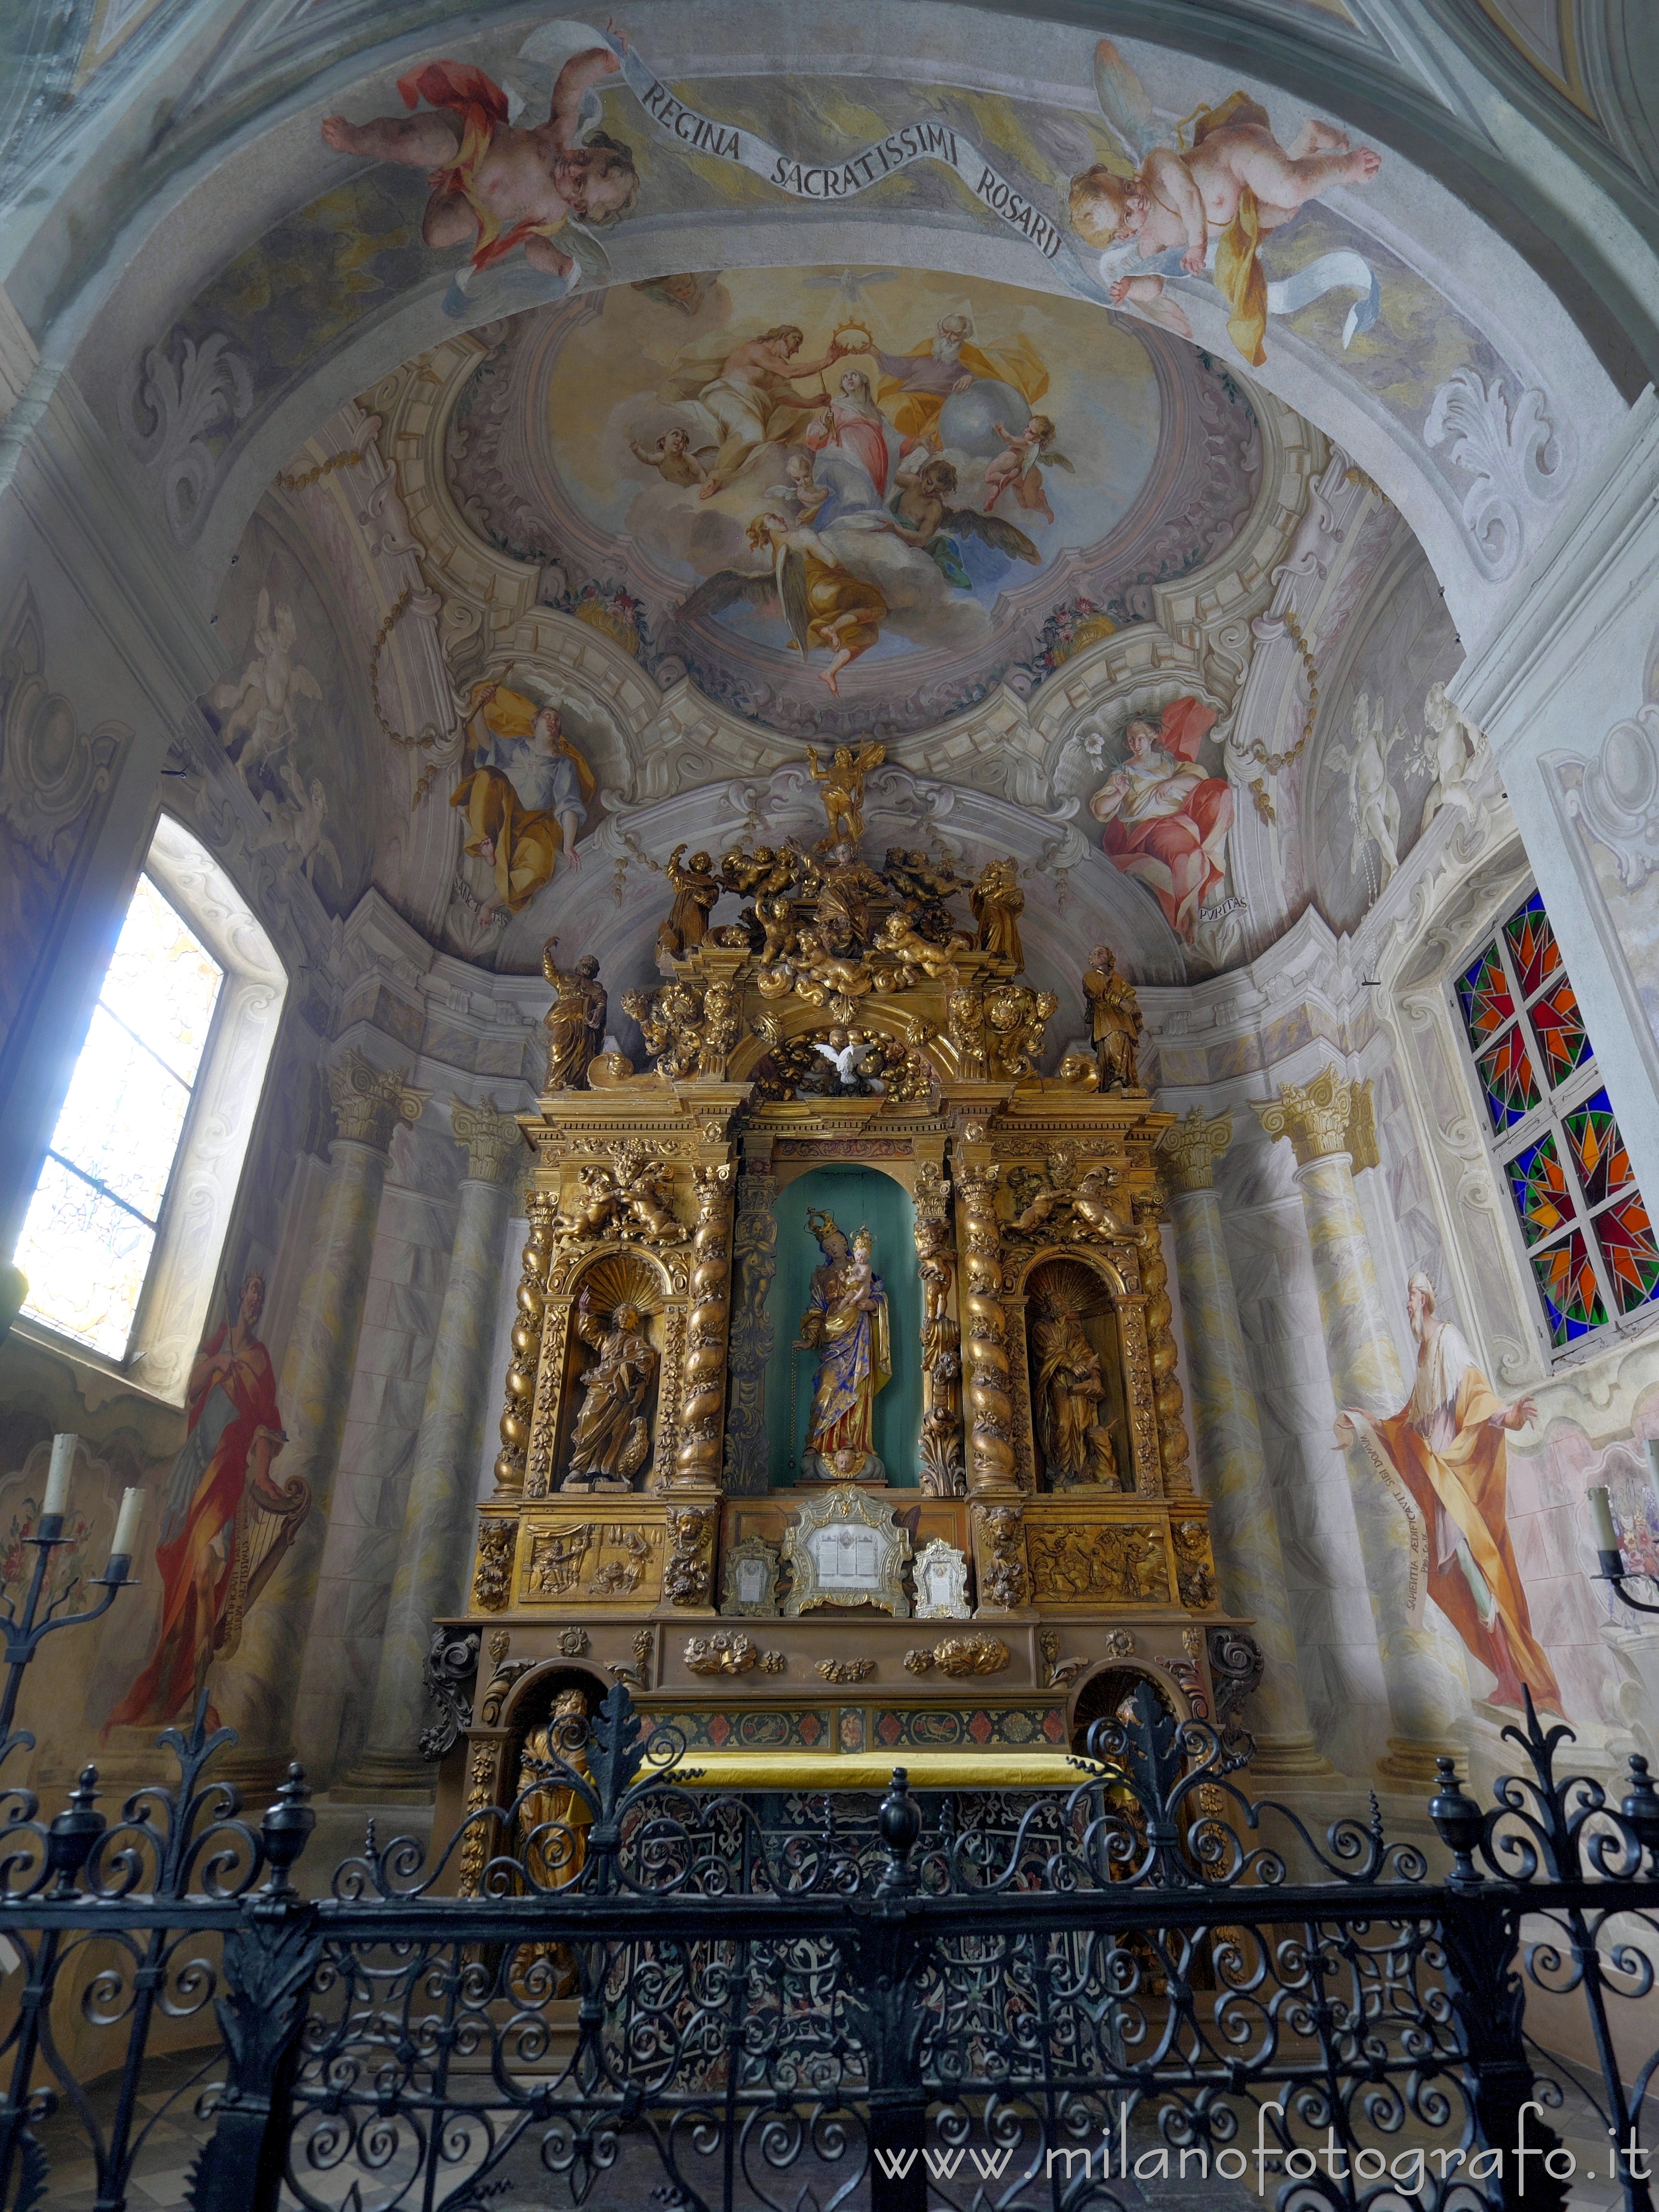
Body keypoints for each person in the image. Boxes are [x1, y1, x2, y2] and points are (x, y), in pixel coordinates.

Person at [1334, 1273, 1563, 1715]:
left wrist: (1507, 1416)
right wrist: (1371, 1422)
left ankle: (1512, 1677)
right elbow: (1412, 1422)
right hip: (1440, 1482)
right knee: (1464, 1568)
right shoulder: (1424, 1356)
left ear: (1425, 1301)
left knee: (1472, 1563)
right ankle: (1505, 1676)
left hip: (1456, 1475)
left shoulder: (1447, 1340)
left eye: (1411, 1299)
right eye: (1406, 1299)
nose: (1407, 1307)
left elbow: (1475, 1390)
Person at [1069, 48, 1380, 366]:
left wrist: (1197, 244)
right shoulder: (1151, 243)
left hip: (1236, 154)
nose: (1136, 199)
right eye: (1127, 213)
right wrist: (1131, 286)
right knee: (1285, 209)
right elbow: (1159, 284)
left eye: (1126, 187)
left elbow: (1187, 192)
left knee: (1291, 189)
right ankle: (1307, 141)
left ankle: (1348, 166)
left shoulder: (1155, 165)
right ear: (1123, 235)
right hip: (1246, 207)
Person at [106, 1274, 303, 1731]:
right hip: (195, 1471)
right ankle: (166, 1692)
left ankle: (193, 1690)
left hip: (228, 1477)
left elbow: (266, 1423)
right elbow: (192, 1388)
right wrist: (218, 1363)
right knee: (182, 1578)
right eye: (250, 1291)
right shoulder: (219, 1344)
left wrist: (263, 1475)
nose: (254, 1299)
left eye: (261, 1293)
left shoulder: (261, 1359)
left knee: (203, 1576)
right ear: (239, 1297)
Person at [321, 43, 635, 283]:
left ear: (578, 206)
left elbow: (534, 248)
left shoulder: (552, 215)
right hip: (472, 140)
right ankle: (355, 137)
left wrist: (559, 265)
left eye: (579, 181)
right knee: (410, 142)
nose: (573, 167)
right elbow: (570, 84)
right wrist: (603, 61)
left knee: (437, 235)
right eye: (584, 158)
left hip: (473, 201)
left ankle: (447, 181)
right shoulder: (558, 137)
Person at [1089, 699, 1232, 945]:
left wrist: (1171, 783)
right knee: (1184, 853)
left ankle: (1203, 848)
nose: (1136, 744)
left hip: (1183, 819)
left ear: (1153, 735)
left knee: (1219, 792)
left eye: (1140, 738)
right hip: (1151, 829)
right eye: (1131, 740)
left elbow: (1197, 781)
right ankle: (1193, 919)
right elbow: (1100, 808)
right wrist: (1120, 793)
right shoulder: (1122, 772)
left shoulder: (1167, 762)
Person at [451, 680, 594, 922]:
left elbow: (568, 804)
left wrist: (569, 844)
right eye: (548, 717)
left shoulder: (563, 764)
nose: (553, 722)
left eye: (557, 721)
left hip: (533, 825)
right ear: (535, 722)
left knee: (539, 866)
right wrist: (480, 706)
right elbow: (486, 741)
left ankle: (491, 903)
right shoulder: (515, 744)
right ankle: (486, 842)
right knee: (487, 776)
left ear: (558, 732)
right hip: (504, 810)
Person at [659, 326, 849, 497]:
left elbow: (781, 396)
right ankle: (715, 478)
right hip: (728, 395)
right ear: (783, 336)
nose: (797, 349)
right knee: (750, 431)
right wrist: (828, 361)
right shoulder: (756, 349)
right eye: (796, 341)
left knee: (780, 428)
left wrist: (811, 403)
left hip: (750, 406)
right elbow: (789, 372)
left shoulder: (776, 369)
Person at [796, 1213, 890, 1481]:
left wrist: (873, 1307)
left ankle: (855, 1444)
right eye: (827, 1247)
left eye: (835, 1243)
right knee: (827, 1388)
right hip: (832, 1338)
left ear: (844, 1243)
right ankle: (819, 1442)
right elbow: (816, 1311)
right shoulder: (820, 1276)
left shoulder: (861, 1267)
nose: (832, 1248)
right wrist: (811, 1339)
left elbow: (879, 1295)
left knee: (858, 1390)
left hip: (859, 1335)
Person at [562, 1286, 658, 1491]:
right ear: (615, 1318)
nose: (624, 1318)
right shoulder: (606, 1338)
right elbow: (589, 1334)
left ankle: (605, 1471)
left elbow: (644, 1366)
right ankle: (579, 1467)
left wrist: (637, 1385)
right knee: (586, 1417)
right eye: (621, 1315)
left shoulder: (638, 1344)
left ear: (635, 1321)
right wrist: (585, 1311)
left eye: (629, 1316)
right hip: (601, 1385)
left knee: (614, 1431)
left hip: (622, 1391)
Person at [1032, 1303, 1120, 1489]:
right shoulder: (1042, 1328)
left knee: (1083, 1427)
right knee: (1062, 1425)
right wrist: (1069, 1364)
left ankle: (1083, 1472)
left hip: (1077, 1386)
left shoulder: (1074, 1331)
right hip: (1057, 1383)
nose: (1058, 1305)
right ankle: (1062, 1473)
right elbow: (1048, 1351)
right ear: (1048, 1308)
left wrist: (1094, 1377)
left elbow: (1087, 1355)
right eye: (1054, 1301)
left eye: (1060, 1301)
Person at [542, 948, 606, 1090]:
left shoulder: (597, 989)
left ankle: (573, 1086)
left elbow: (601, 1002)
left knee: (580, 1057)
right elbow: (550, 974)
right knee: (556, 1048)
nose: (589, 963)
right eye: (587, 960)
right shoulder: (566, 979)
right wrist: (547, 954)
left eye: (592, 963)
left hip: (583, 1026)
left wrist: (600, 1010)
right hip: (564, 1020)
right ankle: (554, 1084)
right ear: (580, 963)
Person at [1082, 944, 1142, 1090]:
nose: (1097, 955)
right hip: (1106, 1021)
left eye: (1101, 953)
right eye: (1094, 954)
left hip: (1124, 1021)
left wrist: (1135, 1013)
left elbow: (1129, 995)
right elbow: (1098, 992)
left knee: (1125, 1049)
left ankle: (1127, 1081)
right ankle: (1115, 1080)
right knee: (1113, 1045)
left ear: (1109, 957)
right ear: (1091, 961)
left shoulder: (1118, 977)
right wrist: (1120, 1002)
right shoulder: (1090, 977)